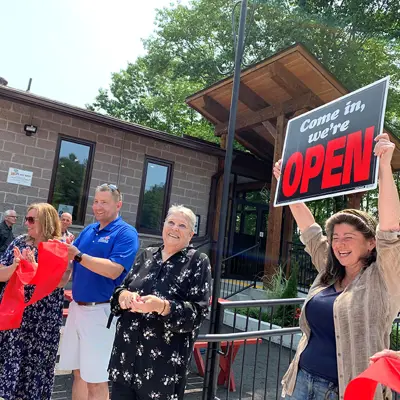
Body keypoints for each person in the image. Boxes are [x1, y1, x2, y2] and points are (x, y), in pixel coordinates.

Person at [277, 133, 400, 400]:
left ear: (370, 243)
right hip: (300, 381)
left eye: (349, 238)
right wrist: (286, 186)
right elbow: (309, 231)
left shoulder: (384, 278)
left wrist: (384, 167)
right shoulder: (329, 270)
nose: (339, 244)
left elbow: (390, 229)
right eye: (335, 238)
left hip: (347, 392)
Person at [108, 205, 212, 400]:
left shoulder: (198, 261)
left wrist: (163, 307)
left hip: (161, 370)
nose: (174, 228)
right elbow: (119, 291)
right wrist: (122, 297)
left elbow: (198, 314)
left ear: (191, 234)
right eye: (171, 222)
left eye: (182, 225)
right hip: (125, 361)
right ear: (163, 226)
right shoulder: (147, 254)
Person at [58, 183, 139, 400]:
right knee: (78, 374)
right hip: (77, 308)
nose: (98, 206)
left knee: (96, 380)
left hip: (101, 312)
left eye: (104, 202)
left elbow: (114, 270)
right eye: (95, 201)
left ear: (118, 205)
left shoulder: (126, 233)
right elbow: (72, 266)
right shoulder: (88, 230)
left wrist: (78, 256)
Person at [0, 203, 70, 400]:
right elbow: (1, 274)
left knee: (35, 367)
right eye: (26, 218)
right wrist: (14, 266)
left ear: (46, 221)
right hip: (17, 315)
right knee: (12, 363)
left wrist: (35, 267)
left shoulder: (59, 246)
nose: (26, 223)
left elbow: (60, 282)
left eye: (31, 219)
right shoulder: (20, 242)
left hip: (42, 319)